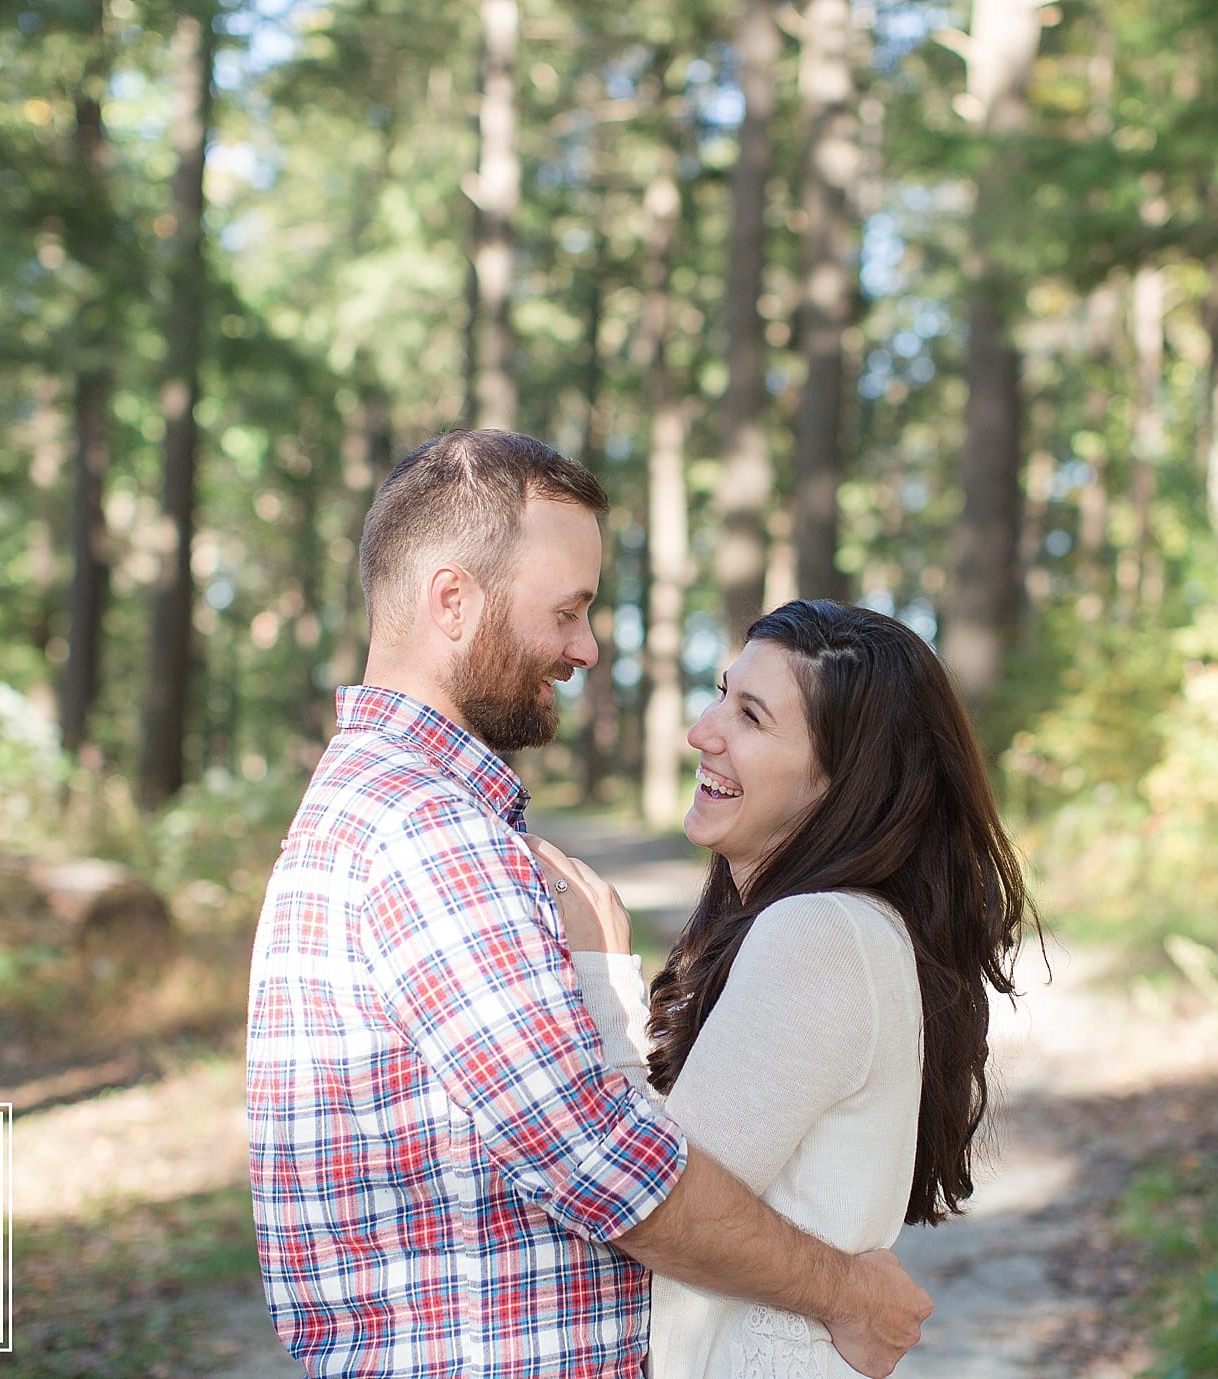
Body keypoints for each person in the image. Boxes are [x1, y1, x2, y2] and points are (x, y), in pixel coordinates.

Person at [245, 431, 932, 1379]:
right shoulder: (430, 831)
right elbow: (615, 1176)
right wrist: (852, 1292)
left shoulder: (379, 807)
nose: (585, 646)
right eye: (567, 611)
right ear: (453, 599)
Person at [527, 598, 1037, 1379]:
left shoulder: (820, 933)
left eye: (752, 716)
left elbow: (657, 1203)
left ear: (843, 782)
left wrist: (602, 974)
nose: (704, 731)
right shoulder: (843, 927)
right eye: (722, 693)